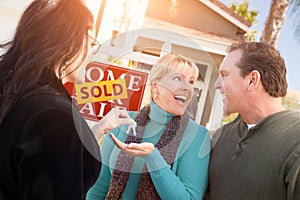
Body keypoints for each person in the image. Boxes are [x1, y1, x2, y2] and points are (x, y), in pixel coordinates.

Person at [0, 0, 133, 199]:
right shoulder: (55, 116)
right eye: (92, 43)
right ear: (72, 41)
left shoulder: (15, 92)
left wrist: (97, 130)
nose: (91, 54)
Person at [87, 53, 211, 200]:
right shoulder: (123, 122)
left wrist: (153, 157)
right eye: (178, 78)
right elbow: (99, 187)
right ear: (155, 86)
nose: (187, 88)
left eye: (191, 82)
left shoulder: (197, 135)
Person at [207, 42, 300, 199]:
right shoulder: (220, 137)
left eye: (224, 75)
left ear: (252, 80)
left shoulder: (295, 139)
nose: (217, 85)